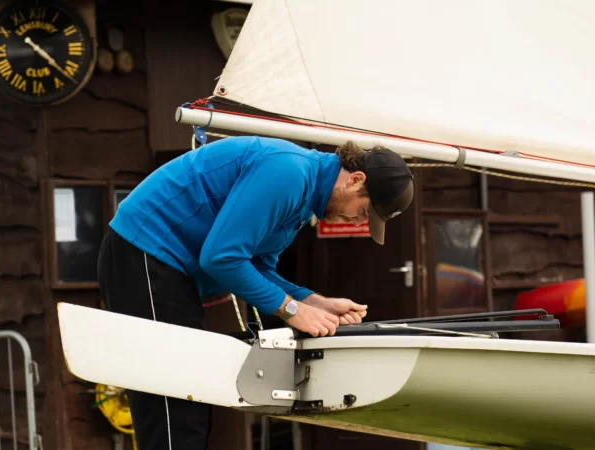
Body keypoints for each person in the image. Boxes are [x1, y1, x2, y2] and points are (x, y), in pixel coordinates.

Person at [96, 136, 414, 450]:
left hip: (164, 266)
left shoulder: (304, 197)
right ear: (355, 180)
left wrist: (313, 301)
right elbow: (221, 257)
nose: (358, 221)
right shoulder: (289, 173)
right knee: (173, 410)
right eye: (364, 211)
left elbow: (257, 268)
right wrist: (291, 310)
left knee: (188, 404)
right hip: (144, 252)